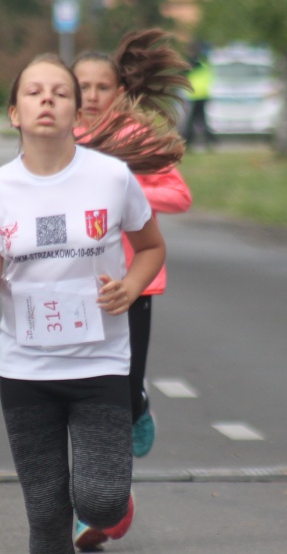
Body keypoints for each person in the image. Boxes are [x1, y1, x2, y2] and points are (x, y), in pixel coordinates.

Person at [0, 54, 172, 554]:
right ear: (15, 113)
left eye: (60, 91)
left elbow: (151, 247)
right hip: (25, 370)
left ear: (78, 113)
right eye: (34, 92)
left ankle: (108, 490)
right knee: (46, 515)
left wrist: (133, 285)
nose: (47, 99)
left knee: (99, 502)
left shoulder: (112, 177)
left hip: (99, 364)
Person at [72, 29, 192, 460]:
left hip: (136, 275)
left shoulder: (134, 136)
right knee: (86, 383)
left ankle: (138, 404)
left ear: (119, 91)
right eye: (82, 86)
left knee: (124, 381)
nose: (91, 95)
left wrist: (128, 189)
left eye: (102, 87)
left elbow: (180, 196)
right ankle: (100, 481)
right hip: (78, 278)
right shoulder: (63, 140)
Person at [182, 48, 215, 151]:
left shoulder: (195, 65)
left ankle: (188, 141)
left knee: (193, 120)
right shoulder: (204, 65)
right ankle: (210, 141)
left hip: (195, 96)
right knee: (201, 120)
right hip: (201, 96)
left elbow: (186, 71)